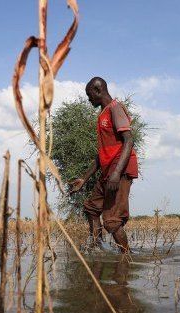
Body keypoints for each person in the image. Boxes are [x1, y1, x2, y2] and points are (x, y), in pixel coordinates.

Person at [69, 77, 138, 253]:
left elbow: (129, 141)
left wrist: (116, 173)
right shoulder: (102, 114)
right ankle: (97, 248)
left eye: (89, 94)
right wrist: (84, 179)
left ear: (98, 90)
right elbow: (102, 155)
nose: (88, 98)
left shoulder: (115, 108)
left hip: (118, 171)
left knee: (112, 221)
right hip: (108, 170)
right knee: (91, 208)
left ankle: (127, 258)